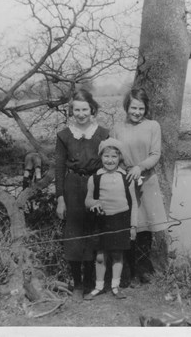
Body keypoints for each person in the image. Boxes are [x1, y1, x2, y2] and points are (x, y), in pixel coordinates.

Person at [55, 89, 109, 301]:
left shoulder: (103, 133)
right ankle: (77, 284)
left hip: (96, 185)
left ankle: (91, 283)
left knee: (94, 234)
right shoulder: (64, 135)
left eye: (84, 109)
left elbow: (111, 162)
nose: (81, 113)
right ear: (71, 111)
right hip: (73, 187)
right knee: (74, 235)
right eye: (76, 109)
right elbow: (59, 168)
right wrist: (60, 198)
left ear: (91, 109)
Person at [111, 87, 168, 285]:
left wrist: (140, 167)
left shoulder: (153, 126)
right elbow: (113, 154)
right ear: (127, 107)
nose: (137, 112)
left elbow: (155, 154)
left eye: (141, 109)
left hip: (147, 181)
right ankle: (127, 271)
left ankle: (143, 270)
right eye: (134, 108)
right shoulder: (118, 128)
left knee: (144, 227)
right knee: (128, 226)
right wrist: (122, 171)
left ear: (146, 109)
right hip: (125, 182)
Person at [84, 138, 137, 300]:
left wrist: (133, 226)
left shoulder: (126, 177)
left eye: (114, 157)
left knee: (117, 254)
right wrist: (93, 203)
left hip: (121, 219)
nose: (110, 160)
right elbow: (87, 200)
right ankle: (99, 286)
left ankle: (115, 286)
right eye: (106, 156)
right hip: (101, 220)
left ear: (120, 158)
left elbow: (134, 202)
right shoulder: (94, 178)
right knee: (100, 255)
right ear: (101, 157)